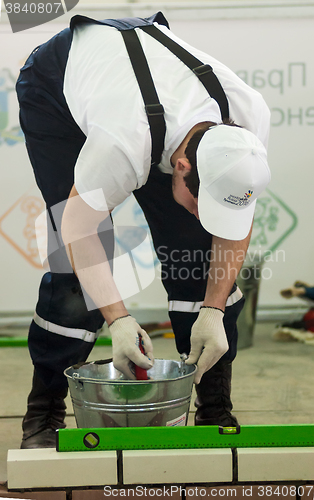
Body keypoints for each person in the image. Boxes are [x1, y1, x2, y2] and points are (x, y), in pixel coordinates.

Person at [16, 11, 271, 449]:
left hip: (153, 102)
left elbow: (236, 217)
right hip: (57, 88)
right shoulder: (123, 141)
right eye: (200, 202)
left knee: (197, 255)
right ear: (182, 166)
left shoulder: (246, 123)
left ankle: (214, 410)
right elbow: (80, 228)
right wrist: (117, 317)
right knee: (76, 276)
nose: (203, 215)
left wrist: (213, 311)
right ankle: (43, 414)